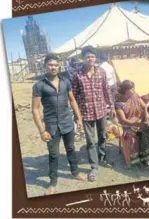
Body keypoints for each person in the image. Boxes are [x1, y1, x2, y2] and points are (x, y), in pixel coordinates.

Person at [32, 54, 86, 195]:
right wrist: (42, 130)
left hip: (67, 122)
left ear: (59, 66)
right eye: (50, 65)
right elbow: (35, 109)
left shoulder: (65, 81)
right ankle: (53, 182)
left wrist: (78, 118)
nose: (53, 67)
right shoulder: (39, 85)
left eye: (55, 65)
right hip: (51, 126)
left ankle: (75, 172)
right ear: (45, 66)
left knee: (71, 148)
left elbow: (72, 100)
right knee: (54, 154)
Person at [72, 46, 115, 182]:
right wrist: (76, 114)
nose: (90, 59)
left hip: (101, 110)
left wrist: (112, 106)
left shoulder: (101, 72)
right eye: (87, 57)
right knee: (90, 141)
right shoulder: (77, 74)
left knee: (102, 136)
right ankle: (94, 167)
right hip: (86, 113)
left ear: (95, 58)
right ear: (83, 58)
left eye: (92, 56)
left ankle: (102, 158)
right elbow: (73, 95)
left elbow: (106, 90)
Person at [115, 80, 149, 167]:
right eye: (132, 89)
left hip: (139, 121)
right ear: (126, 90)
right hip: (128, 125)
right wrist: (138, 125)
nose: (134, 90)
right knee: (132, 137)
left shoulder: (134, 95)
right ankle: (135, 159)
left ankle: (145, 158)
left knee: (148, 134)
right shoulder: (118, 104)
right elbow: (124, 120)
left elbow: (145, 106)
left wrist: (145, 118)